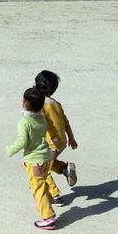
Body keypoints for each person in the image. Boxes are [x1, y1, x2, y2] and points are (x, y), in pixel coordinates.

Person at [5, 87, 56, 230]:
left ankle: (48, 217)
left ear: (25, 103)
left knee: (37, 188)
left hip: (34, 161)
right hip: (45, 157)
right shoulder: (42, 118)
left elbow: (22, 141)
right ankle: (47, 200)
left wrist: (10, 150)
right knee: (41, 184)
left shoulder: (24, 122)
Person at [35, 70, 78, 206]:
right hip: (61, 142)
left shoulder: (41, 105)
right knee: (49, 163)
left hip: (51, 143)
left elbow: (38, 123)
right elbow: (66, 123)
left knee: (42, 168)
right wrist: (71, 139)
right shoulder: (57, 104)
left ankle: (55, 195)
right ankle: (64, 168)